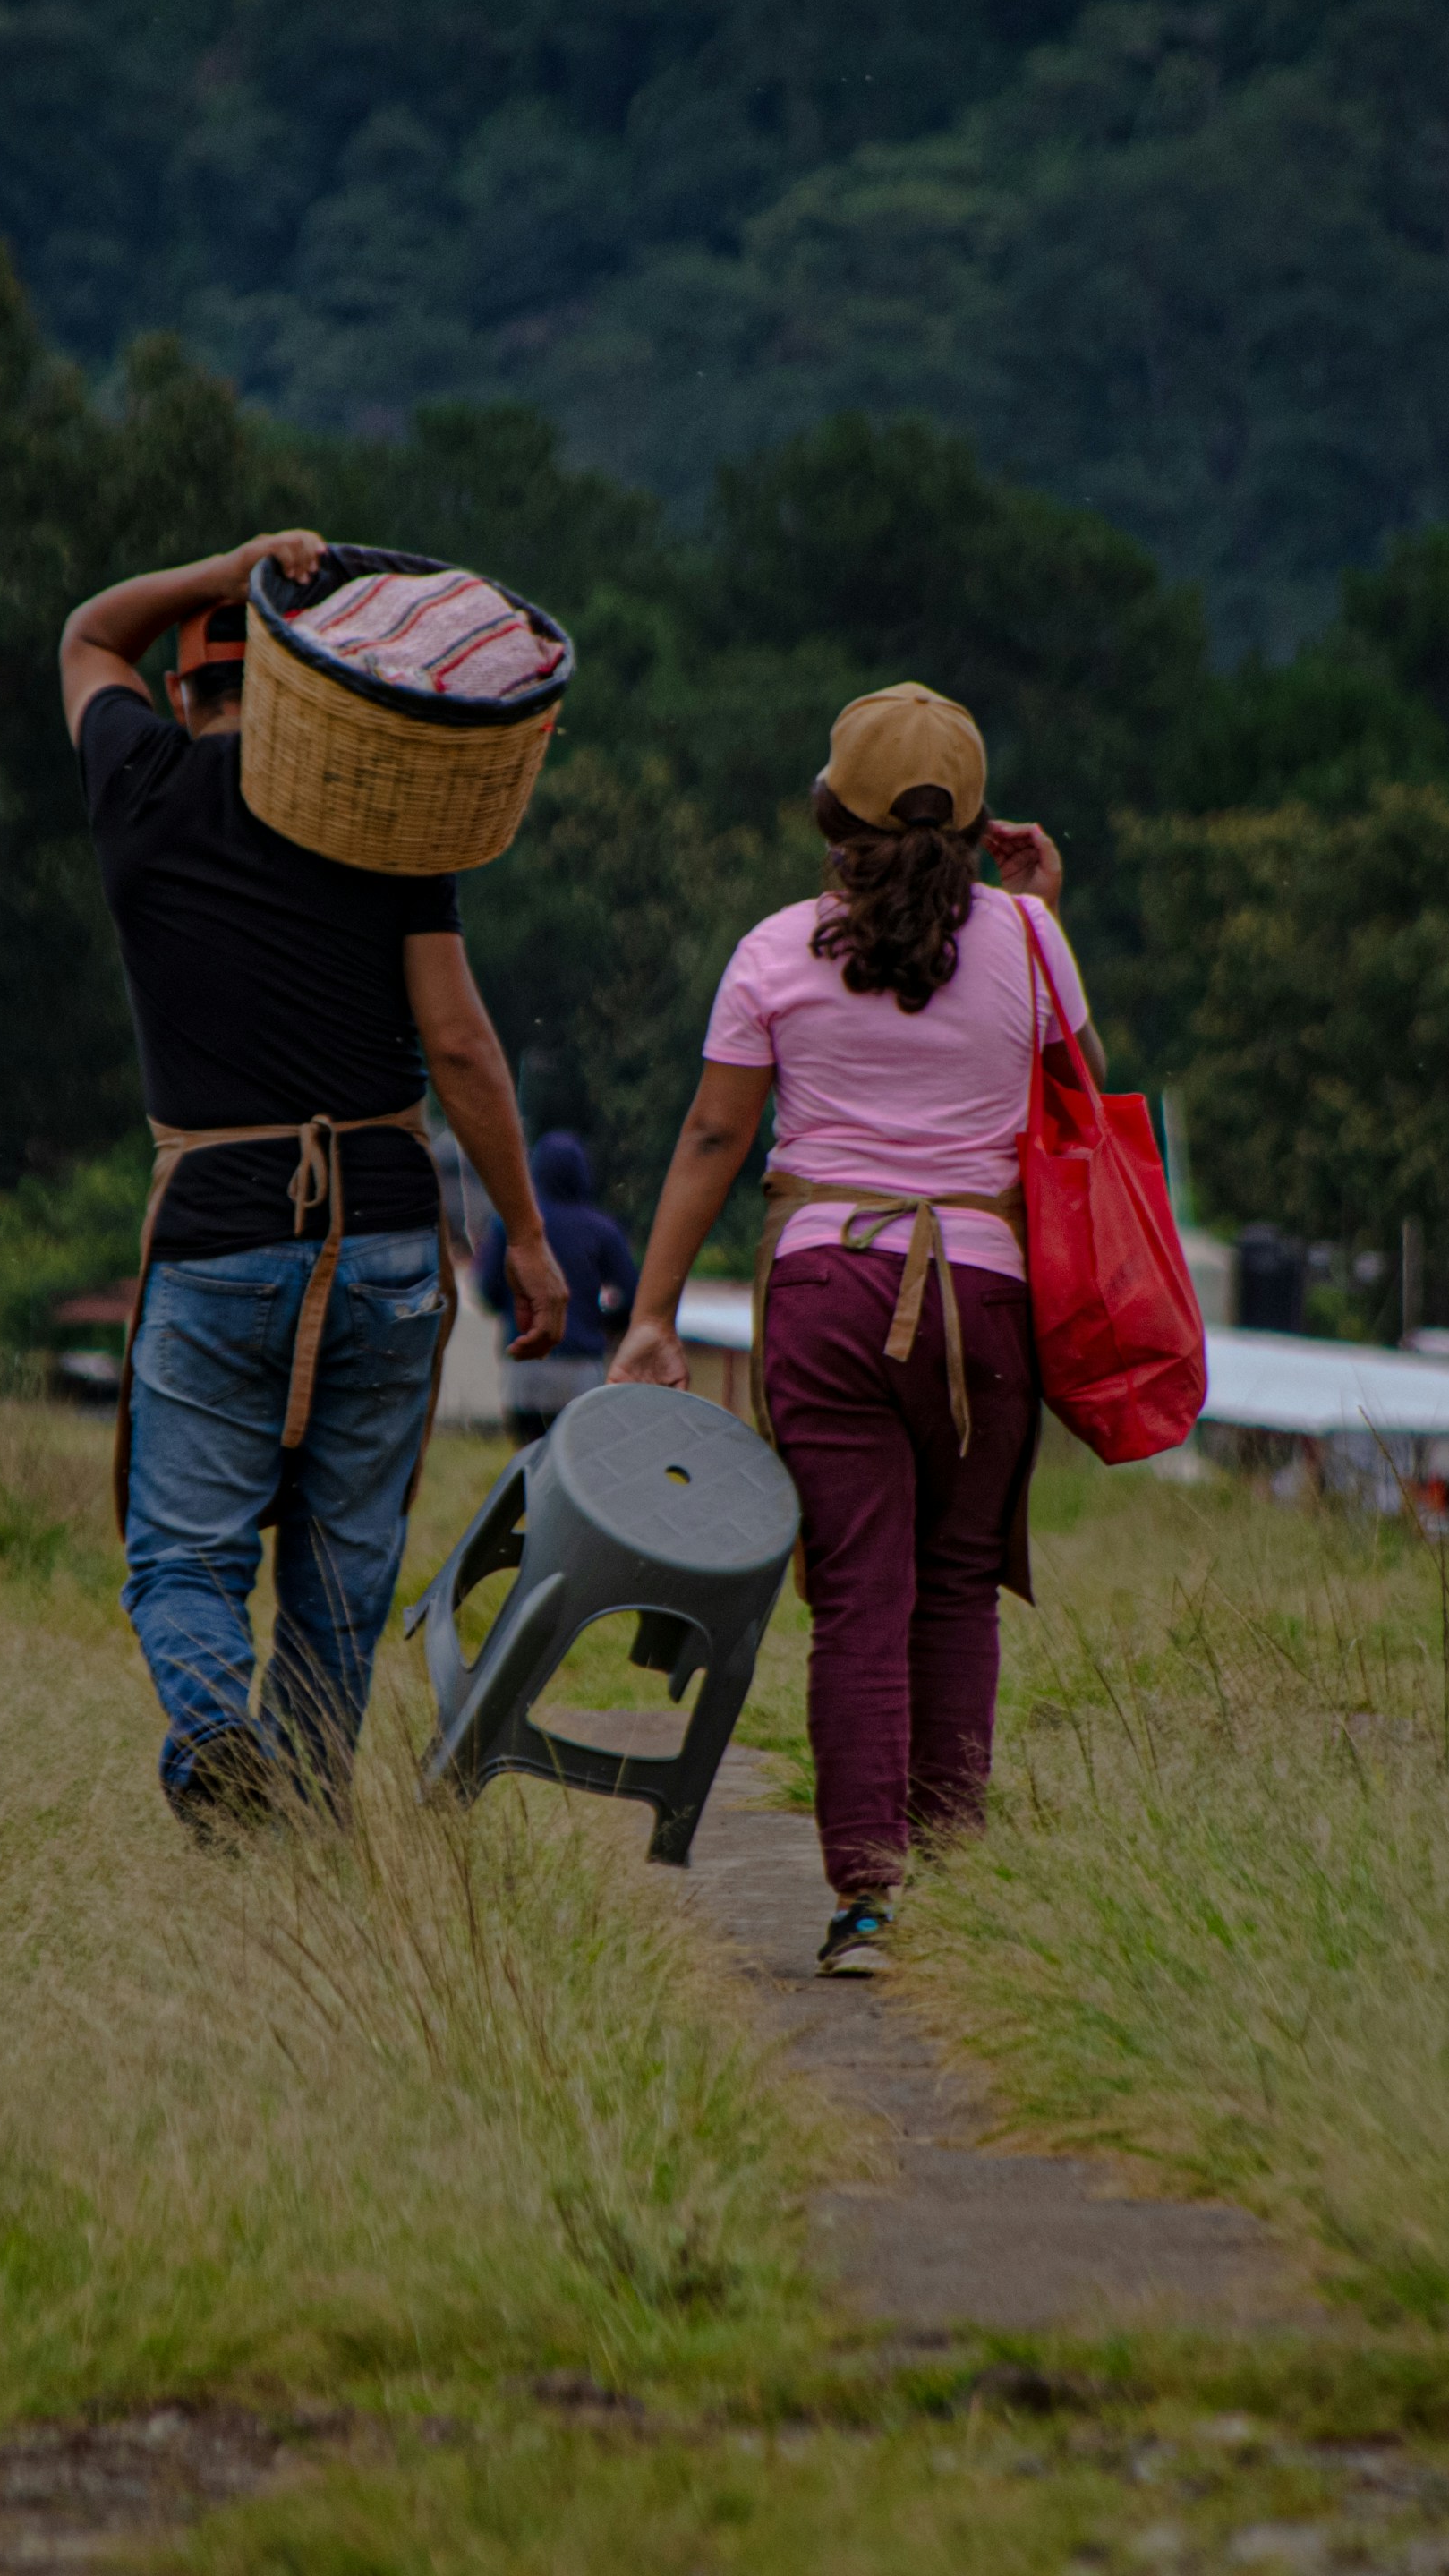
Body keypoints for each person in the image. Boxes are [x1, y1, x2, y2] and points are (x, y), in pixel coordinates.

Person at [61, 531, 570, 1836]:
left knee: (183, 1556)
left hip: (219, 1233)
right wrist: (526, 1234)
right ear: (308, 688)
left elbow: (88, 634)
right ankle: (301, 1820)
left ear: (185, 694)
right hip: (390, 1240)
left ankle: (218, 1736)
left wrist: (224, 567)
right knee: (343, 1566)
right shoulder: (383, 826)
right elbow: (458, 1045)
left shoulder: (142, 788)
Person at [605, 684, 1095, 1974]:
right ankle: (959, 1896)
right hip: (987, 1300)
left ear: (834, 815)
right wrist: (1043, 909)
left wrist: (654, 1313)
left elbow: (715, 1135)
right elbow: (1072, 1100)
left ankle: (866, 1908)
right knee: (958, 1595)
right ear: (980, 822)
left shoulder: (775, 950)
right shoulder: (1036, 945)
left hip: (828, 1294)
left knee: (860, 1600)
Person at [478, 1129, 637, 1438]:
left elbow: (487, 1290)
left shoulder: (510, 1227)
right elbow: (629, 1295)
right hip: (581, 1371)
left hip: (525, 1369)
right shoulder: (603, 1229)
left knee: (528, 1463)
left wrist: (515, 1310)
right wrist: (601, 1322)